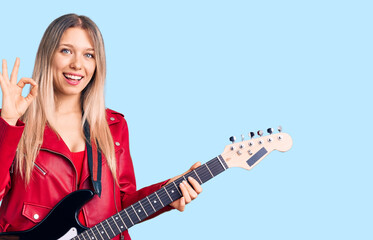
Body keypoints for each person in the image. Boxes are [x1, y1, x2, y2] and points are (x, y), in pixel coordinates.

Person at [0, 14, 202, 240]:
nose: (77, 64)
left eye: (89, 55)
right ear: (48, 56)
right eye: (66, 51)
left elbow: (121, 204)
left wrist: (167, 193)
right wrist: (8, 122)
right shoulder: (16, 125)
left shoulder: (113, 126)